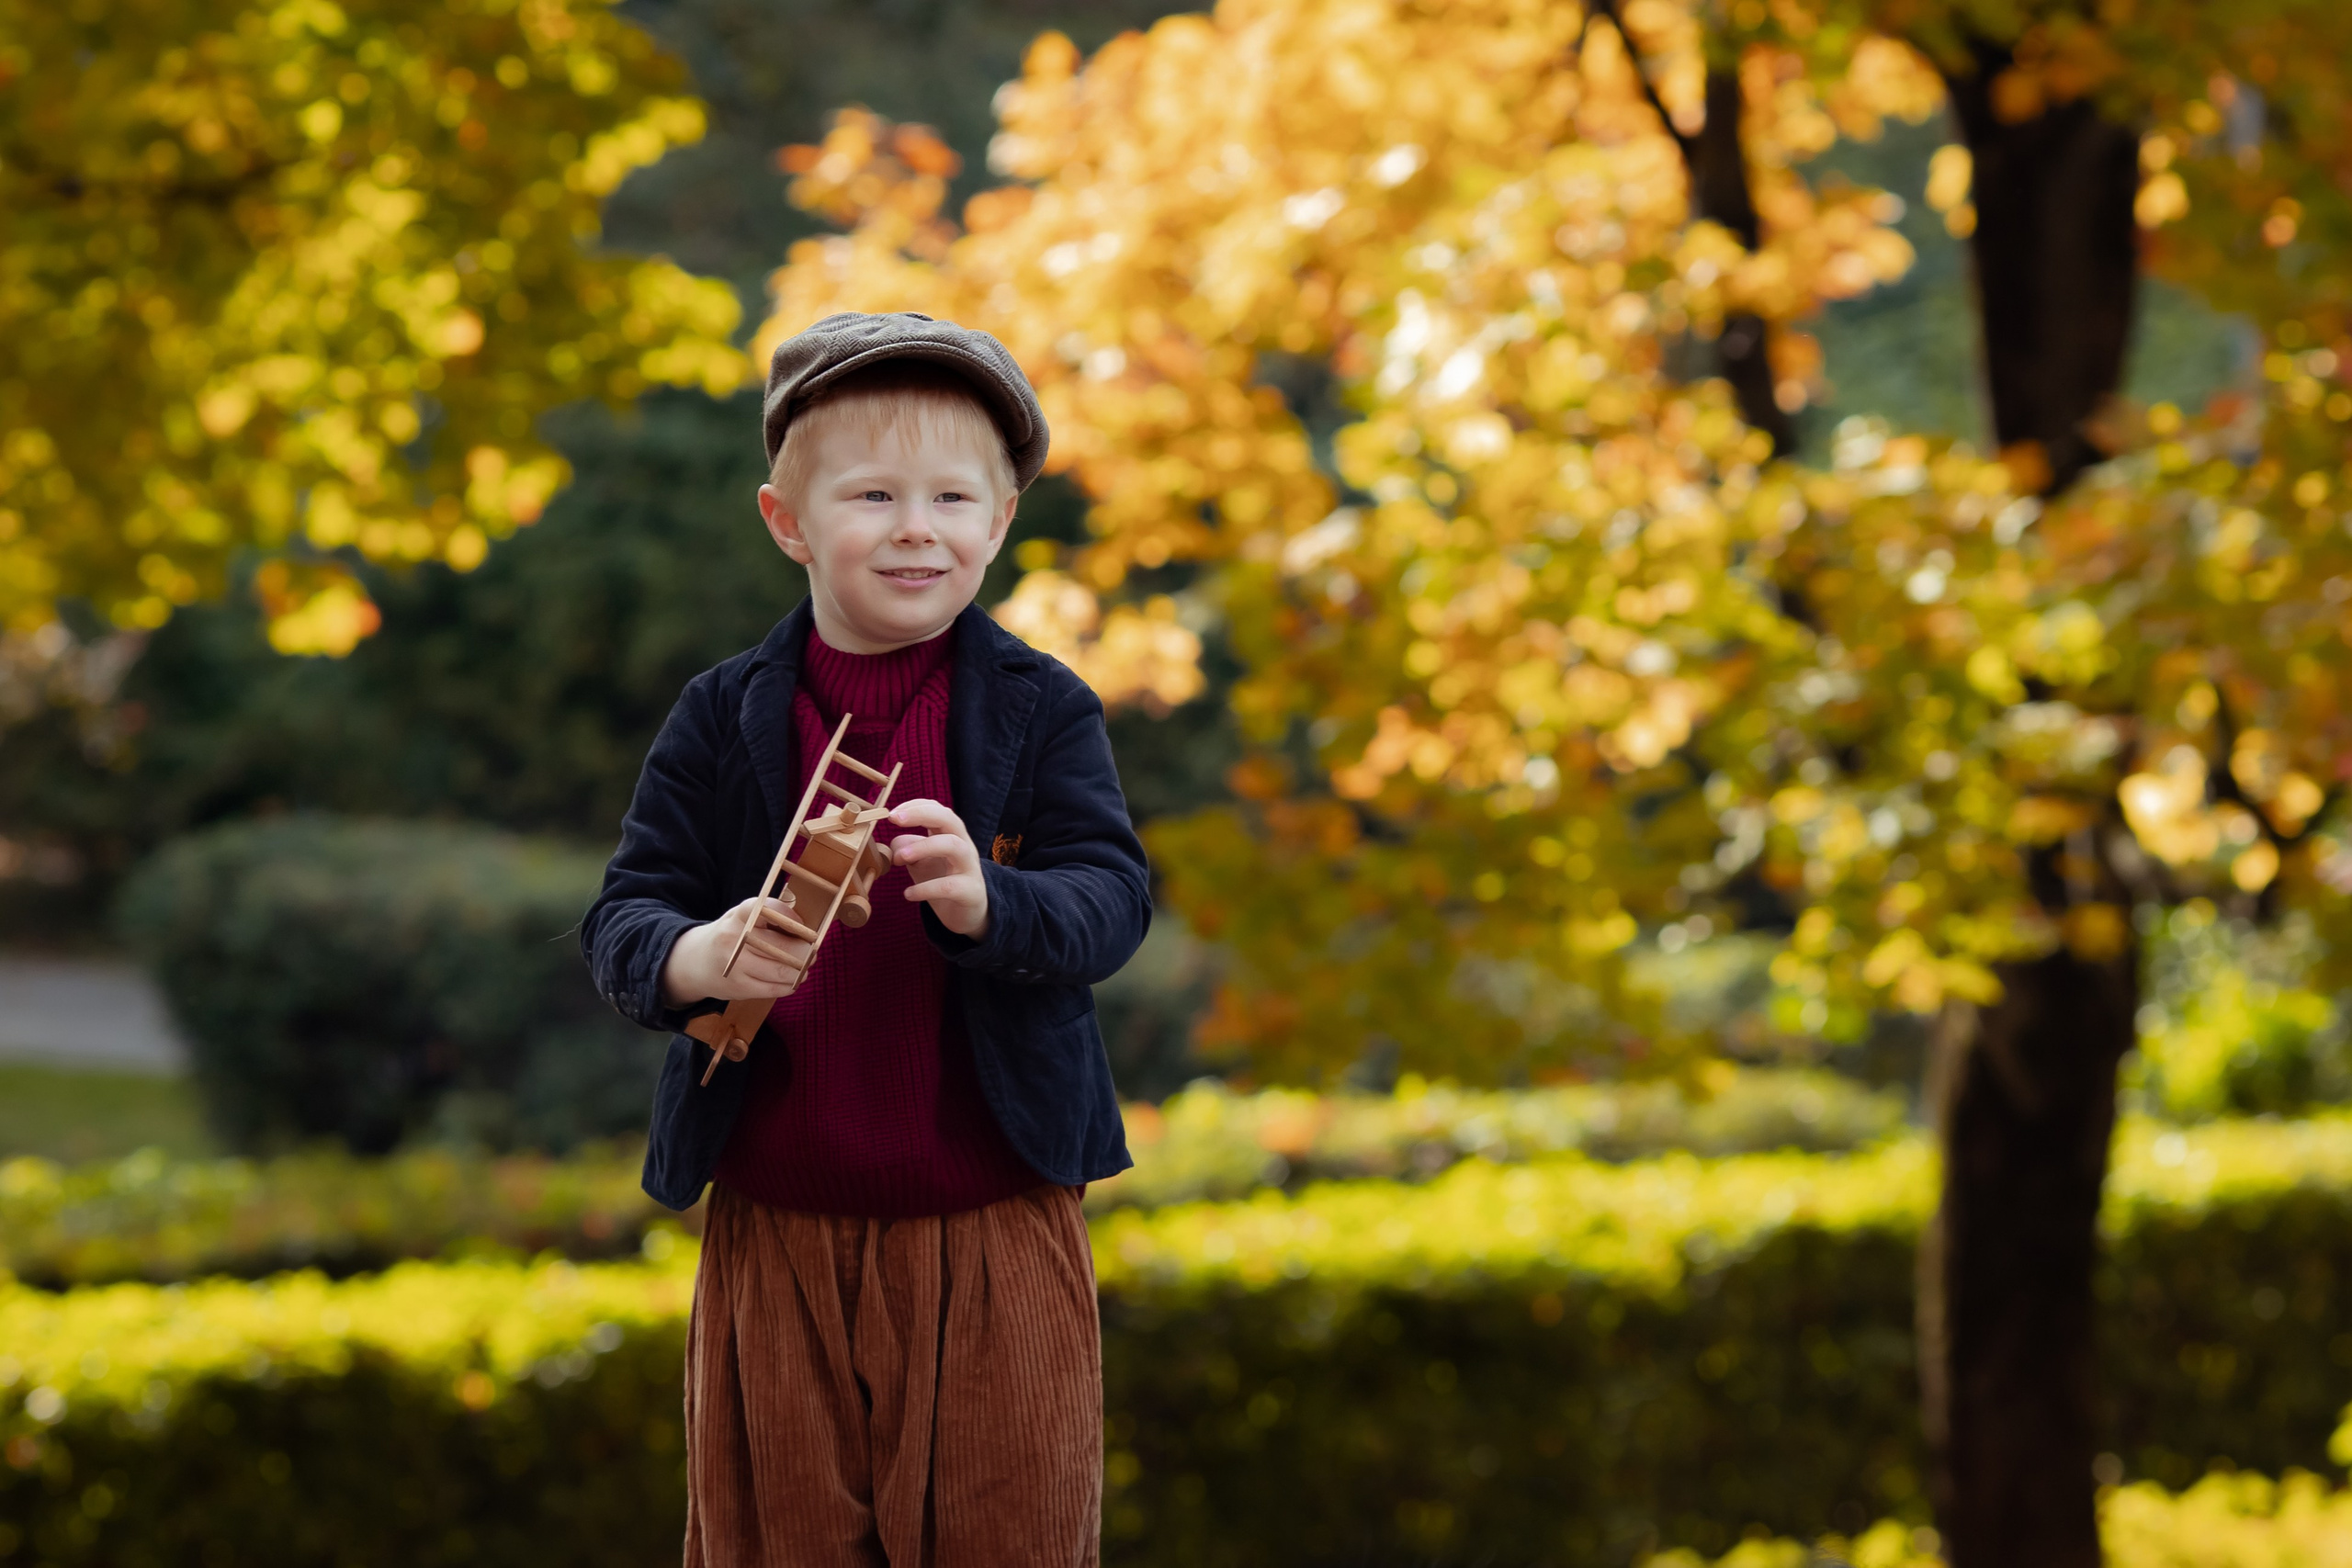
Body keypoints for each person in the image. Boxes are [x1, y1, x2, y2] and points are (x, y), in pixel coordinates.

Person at [582, 310, 1148, 1567]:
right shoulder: (725, 714)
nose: (916, 526)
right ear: (788, 520)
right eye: (874, 493)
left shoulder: (1042, 709)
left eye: (955, 496)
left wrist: (995, 907)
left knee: (1011, 1537)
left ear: (999, 524)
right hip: (775, 1228)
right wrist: (697, 958)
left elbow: (1112, 899)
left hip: (994, 1220)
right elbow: (622, 916)